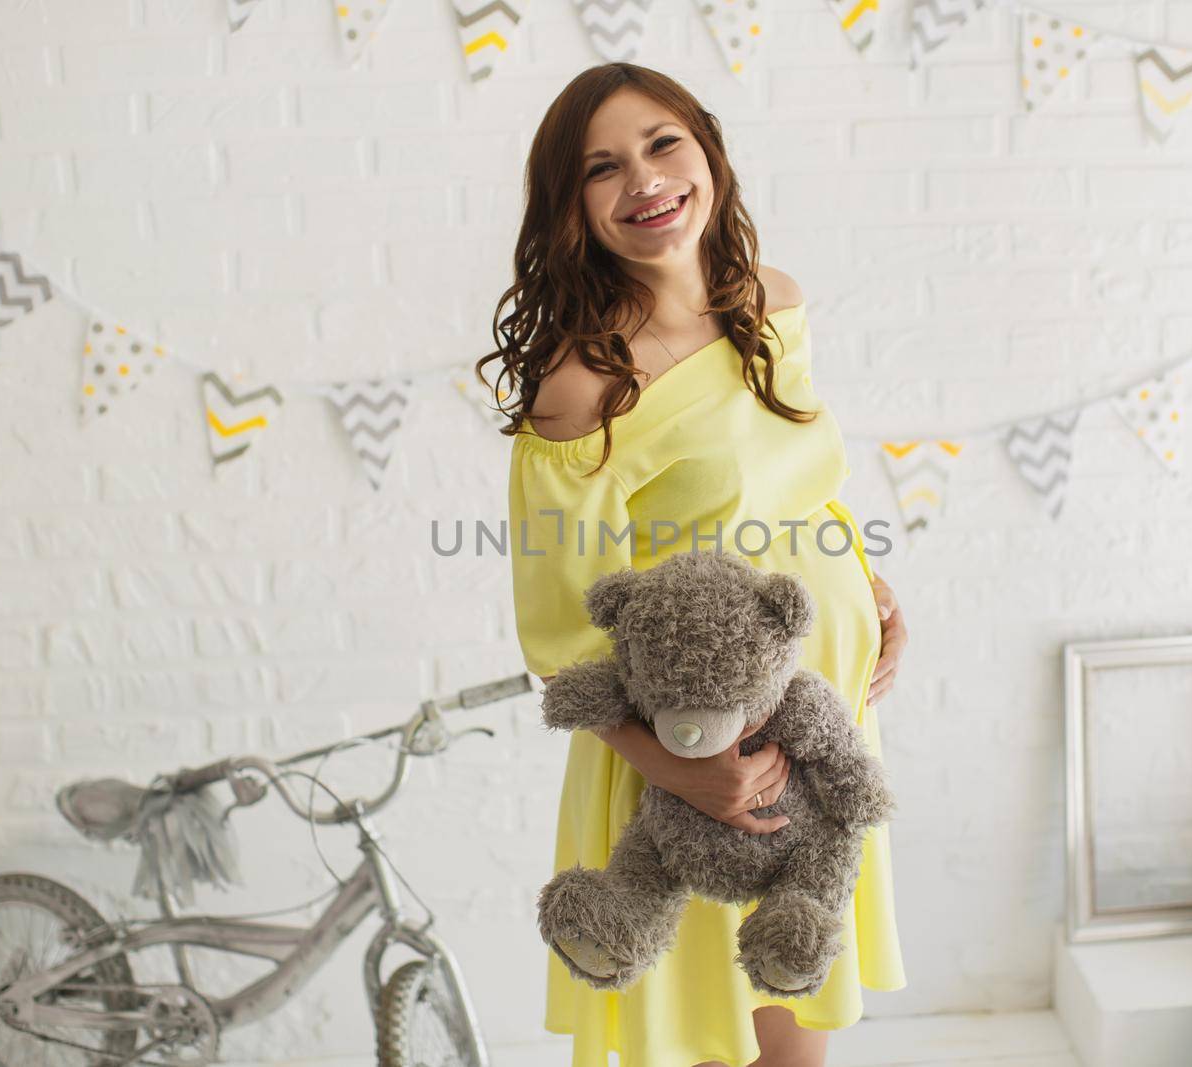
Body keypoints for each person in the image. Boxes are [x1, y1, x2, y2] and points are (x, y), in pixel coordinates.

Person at [475, 62, 909, 1067]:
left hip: (820, 718)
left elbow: (802, 491)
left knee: (793, 1018)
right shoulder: (582, 385)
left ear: (706, 152)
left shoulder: (770, 303)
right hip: (700, 755)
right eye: (602, 167)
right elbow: (564, 628)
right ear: (571, 208)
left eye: (663, 143)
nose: (644, 179)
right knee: (718, 1037)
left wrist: (875, 597)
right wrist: (686, 768)